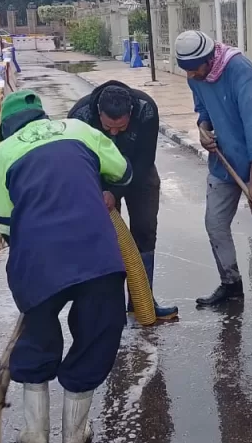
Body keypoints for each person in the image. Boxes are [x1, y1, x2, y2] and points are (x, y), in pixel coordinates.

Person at [0, 89, 134, 443]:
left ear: (5, 127)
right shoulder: (79, 130)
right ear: (43, 117)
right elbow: (123, 171)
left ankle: (35, 434)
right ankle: (74, 437)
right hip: (96, 254)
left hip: (38, 261)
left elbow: (6, 225)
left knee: (36, 335)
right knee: (97, 333)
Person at [174, 30, 252, 335]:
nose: (191, 75)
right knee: (214, 224)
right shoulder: (194, 75)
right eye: (186, 69)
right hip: (223, 160)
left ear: (209, 58)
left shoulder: (239, 69)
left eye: (195, 68)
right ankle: (231, 284)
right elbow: (203, 112)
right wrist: (203, 130)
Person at [68, 80, 178, 320]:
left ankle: (142, 301)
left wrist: (115, 193)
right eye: (108, 127)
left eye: (121, 126)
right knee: (106, 238)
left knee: (145, 232)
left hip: (139, 172)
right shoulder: (80, 116)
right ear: (99, 114)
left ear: (131, 113)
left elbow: (145, 159)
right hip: (98, 178)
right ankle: (110, 307)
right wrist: (101, 191)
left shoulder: (146, 108)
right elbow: (78, 163)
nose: (114, 132)